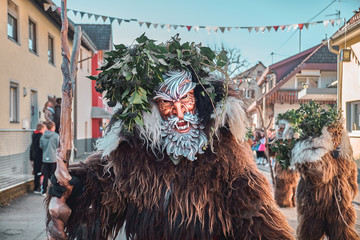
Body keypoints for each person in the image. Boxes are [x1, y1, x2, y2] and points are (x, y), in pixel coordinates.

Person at [45, 38, 294, 240]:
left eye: (186, 101)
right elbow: (98, 192)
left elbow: (258, 219)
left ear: (201, 101)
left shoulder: (227, 158)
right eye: (167, 105)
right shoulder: (132, 156)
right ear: (152, 109)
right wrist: (70, 189)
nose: (179, 114)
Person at [40, 121, 59, 196]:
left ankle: (44, 191)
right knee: (53, 175)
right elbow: (58, 146)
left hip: (45, 158)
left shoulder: (43, 136)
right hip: (53, 158)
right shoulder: (56, 136)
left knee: (45, 175)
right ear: (53, 127)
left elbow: (41, 146)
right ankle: (53, 191)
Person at [29, 123, 46, 193]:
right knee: (40, 172)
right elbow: (42, 147)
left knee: (36, 172)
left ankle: (36, 187)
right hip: (40, 157)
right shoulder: (41, 136)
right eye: (44, 129)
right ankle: (38, 187)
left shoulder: (33, 135)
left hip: (34, 156)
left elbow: (31, 147)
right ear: (42, 129)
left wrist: (31, 157)